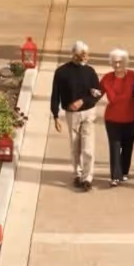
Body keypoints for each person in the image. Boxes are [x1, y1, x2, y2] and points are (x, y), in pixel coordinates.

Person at [50, 41, 105, 191]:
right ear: (74, 54)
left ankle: (87, 177)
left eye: (87, 54)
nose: (86, 57)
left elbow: (97, 93)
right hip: (71, 115)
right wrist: (55, 115)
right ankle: (77, 174)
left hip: (88, 113)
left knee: (88, 146)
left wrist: (83, 101)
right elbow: (55, 95)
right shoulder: (61, 72)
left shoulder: (90, 72)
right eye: (82, 55)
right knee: (75, 146)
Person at [100, 49, 134, 187]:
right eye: (114, 62)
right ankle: (115, 176)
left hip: (131, 117)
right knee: (114, 146)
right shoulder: (106, 78)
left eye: (120, 62)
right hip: (112, 118)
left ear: (125, 63)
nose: (117, 65)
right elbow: (96, 94)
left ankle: (124, 172)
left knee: (128, 146)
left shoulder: (133, 76)